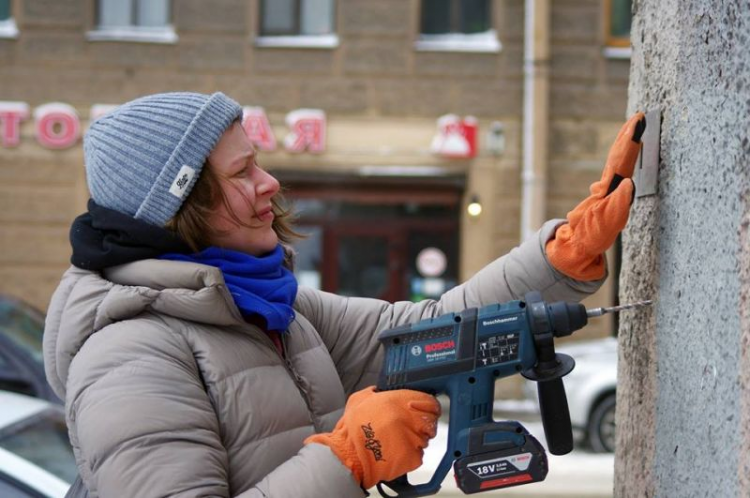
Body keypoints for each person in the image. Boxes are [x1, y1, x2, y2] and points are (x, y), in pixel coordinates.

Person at [43, 91, 645, 497]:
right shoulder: (127, 356)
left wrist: (560, 254)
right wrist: (348, 456)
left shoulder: (278, 310)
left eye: (258, 163)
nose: (268, 182)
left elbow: (431, 330)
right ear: (180, 209)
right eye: (241, 173)